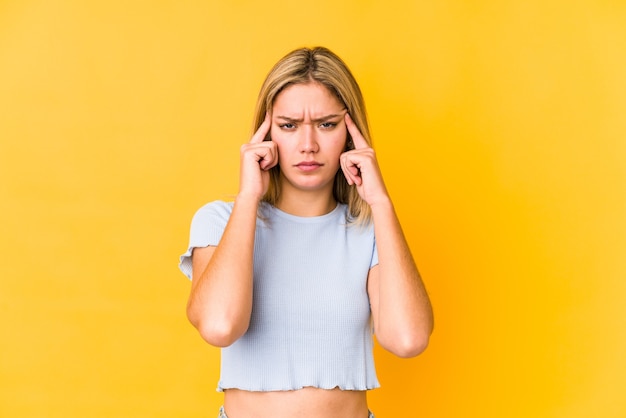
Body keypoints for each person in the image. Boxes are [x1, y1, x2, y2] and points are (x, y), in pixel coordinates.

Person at [179, 46, 434, 418]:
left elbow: (408, 339)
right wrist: (250, 195)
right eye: (288, 125)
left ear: (351, 134)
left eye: (327, 124)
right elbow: (220, 326)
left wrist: (381, 204)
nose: (308, 145)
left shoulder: (369, 231)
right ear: (265, 133)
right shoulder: (220, 221)